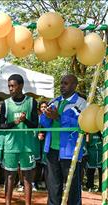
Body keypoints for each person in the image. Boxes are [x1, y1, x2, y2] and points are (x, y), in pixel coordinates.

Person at [40, 74, 86, 205]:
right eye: (61, 83)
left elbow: (81, 124)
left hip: (70, 152)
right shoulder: (55, 101)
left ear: (74, 85)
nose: (62, 86)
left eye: (65, 83)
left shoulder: (81, 103)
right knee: (53, 188)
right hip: (52, 151)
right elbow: (44, 122)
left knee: (72, 189)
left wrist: (59, 117)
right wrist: (47, 116)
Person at [0, 74, 38, 205]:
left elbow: (35, 125)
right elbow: (1, 126)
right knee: (10, 176)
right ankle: (7, 203)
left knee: (27, 177)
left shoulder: (32, 102)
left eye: (13, 86)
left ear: (21, 86)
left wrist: (25, 120)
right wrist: (14, 123)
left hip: (27, 146)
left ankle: (28, 203)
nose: (10, 89)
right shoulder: (5, 104)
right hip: (11, 145)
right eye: (9, 86)